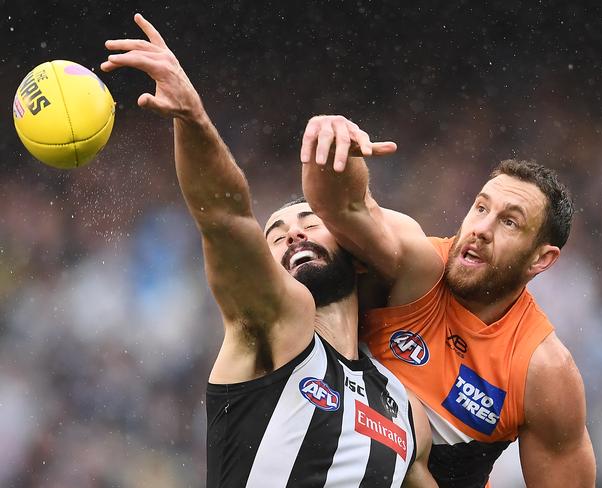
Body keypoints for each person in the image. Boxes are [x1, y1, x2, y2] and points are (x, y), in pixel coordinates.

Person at [101, 15, 436, 488]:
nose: (292, 235)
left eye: (310, 223)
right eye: (276, 234)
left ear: (358, 256)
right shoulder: (277, 326)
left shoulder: (403, 409)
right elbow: (225, 217)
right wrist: (193, 119)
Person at [299, 115, 597, 487]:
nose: (481, 229)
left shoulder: (542, 371)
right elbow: (343, 209)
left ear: (541, 259)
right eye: (482, 208)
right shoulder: (417, 267)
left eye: (509, 222)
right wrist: (331, 146)